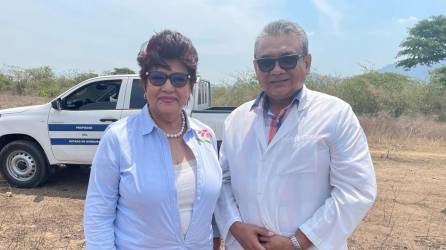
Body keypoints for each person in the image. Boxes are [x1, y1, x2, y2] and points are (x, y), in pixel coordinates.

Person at [214, 20, 377, 250]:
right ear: (256, 68)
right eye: (266, 63)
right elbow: (222, 182)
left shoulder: (336, 114)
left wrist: (298, 241)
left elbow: (356, 190)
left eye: (288, 60)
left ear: (307, 62)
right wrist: (235, 227)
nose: (277, 69)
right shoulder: (237, 120)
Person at [84, 30, 222, 249]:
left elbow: (211, 211)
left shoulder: (206, 136)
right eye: (158, 77)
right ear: (145, 83)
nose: (168, 87)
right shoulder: (118, 139)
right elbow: (98, 214)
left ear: (191, 86)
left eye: (179, 79)